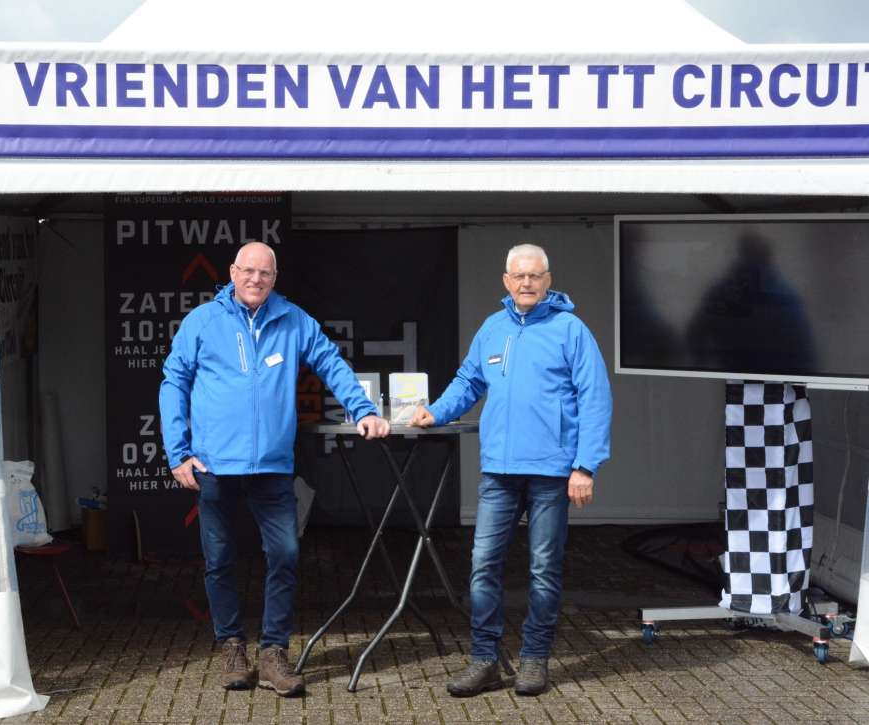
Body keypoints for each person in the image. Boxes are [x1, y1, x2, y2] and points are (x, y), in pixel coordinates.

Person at [159, 241, 390, 697]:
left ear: (274, 278)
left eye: (264, 273)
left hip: (271, 466)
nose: (255, 280)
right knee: (219, 561)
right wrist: (177, 452)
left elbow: (330, 362)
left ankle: (273, 654)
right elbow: (174, 382)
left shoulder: (293, 320)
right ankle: (231, 649)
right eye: (248, 271)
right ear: (232, 272)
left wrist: (362, 409)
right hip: (215, 465)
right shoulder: (202, 322)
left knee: (284, 554)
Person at [410, 243, 612, 698]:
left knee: (544, 568)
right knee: (483, 565)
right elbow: (468, 381)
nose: (526, 283)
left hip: (552, 473)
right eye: (518, 276)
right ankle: (484, 661)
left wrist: (585, 465)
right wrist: (436, 412)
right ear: (506, 281)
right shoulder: (492, 328)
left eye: (534, 276)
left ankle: (534, 659)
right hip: (499, 472)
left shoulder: (571, 330)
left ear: (548, 280)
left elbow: (595, 398)